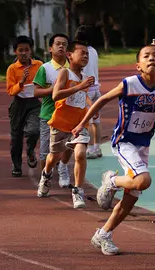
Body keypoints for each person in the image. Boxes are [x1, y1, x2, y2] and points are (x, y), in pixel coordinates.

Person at [72, 44, 155, 255]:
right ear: (138, 65)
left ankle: (103, 234)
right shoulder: (130, 84)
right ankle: (111, 180)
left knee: (133, 195)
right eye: (146, 56)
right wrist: (83, 123)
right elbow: (102, 99)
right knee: (144, 180)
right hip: (124, 142)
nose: (152, 59)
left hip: (143, 145)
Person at [37, 41, 95, 209]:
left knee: (81, 154)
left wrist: (92, 106)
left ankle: (78, 191)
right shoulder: (64, 73)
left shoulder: (84, 78)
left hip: (79, 125)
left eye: (87, 54)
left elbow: (84, 96)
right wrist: (79, 87)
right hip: (61, 123)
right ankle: (46, 175)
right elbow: (55, 95)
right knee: (54, 157)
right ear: (70, 55)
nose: (85, 56)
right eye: (81, 53)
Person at [33, 33, 72, 187]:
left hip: (69, 116)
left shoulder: (72, 68)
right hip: (48, 115)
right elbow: (36, 92)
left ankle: (63, 168)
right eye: (57, 44)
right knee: (45, 151)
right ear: (50, 48)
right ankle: (45, 180)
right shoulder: (45, 68)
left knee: (68, 146)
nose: (61, 46)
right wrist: (54, 89)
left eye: (64, 44)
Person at [6, 35, 43, 177]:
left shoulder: (38, 65)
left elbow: (45, 82)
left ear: (31, 51)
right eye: (20, 50)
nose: (23, 53)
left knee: (34, 131)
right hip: (18, 104)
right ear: (15, 51)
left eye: (26, 50)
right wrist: (21, 82)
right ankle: (16, 165)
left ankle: (30, 150)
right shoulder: (12, 69)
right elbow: (10, 91)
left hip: (34, 103)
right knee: (16, 138)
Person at [75, 25, 103, 159]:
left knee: (89, 121)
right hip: (96, 87)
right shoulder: (94, 51)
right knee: (97, 121)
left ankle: (90, 148)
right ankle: (97, 147)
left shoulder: (80, 52)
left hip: (87, 89)